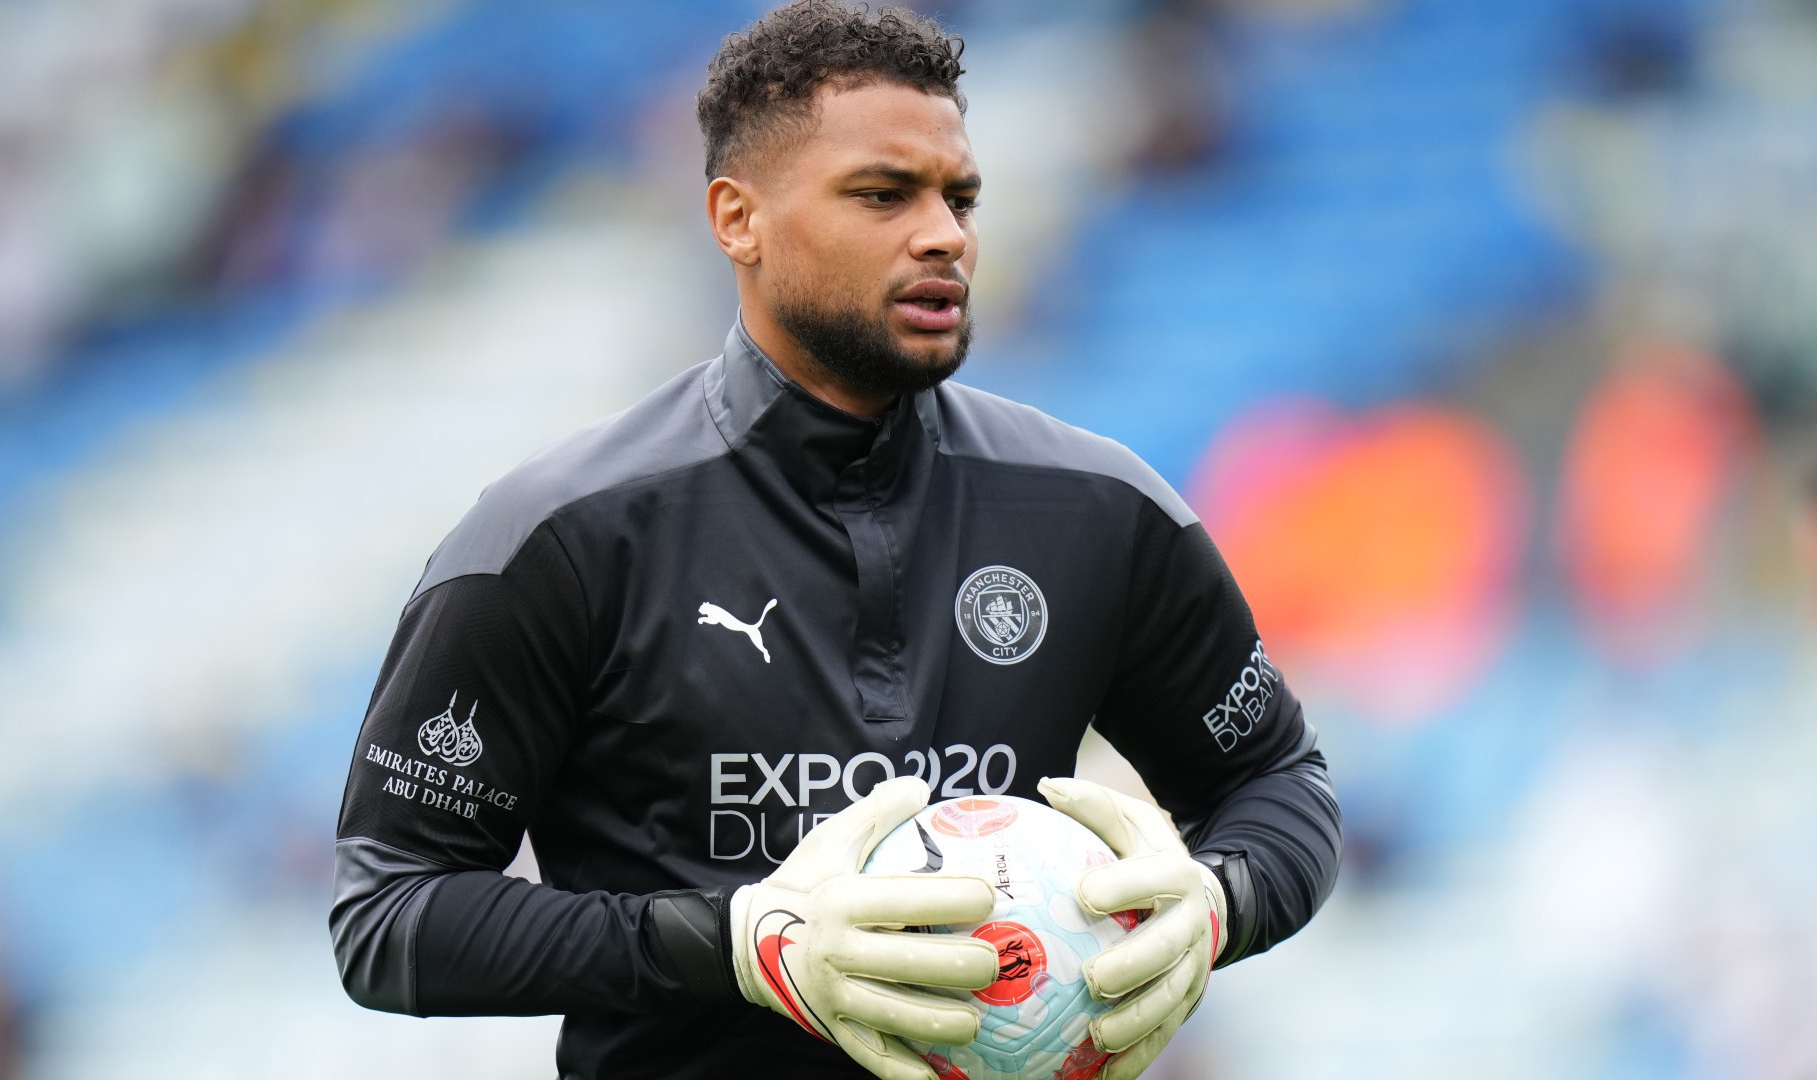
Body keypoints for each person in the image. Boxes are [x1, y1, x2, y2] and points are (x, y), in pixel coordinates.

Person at [330, 3, 1342, 1078]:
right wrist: (739, 945)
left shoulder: (1098, 509)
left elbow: (1279, 782)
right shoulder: (559, 539)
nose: (945, 233)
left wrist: (1218, 902)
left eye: (960, 197)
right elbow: (391, 916)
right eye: (883, 194)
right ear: (738, 220)